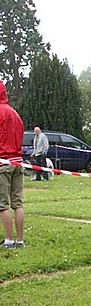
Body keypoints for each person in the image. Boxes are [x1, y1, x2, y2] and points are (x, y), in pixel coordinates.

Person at [0, 80, 25, 249]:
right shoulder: (15, 113)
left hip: (2, 163)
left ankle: (9, 240)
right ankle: (20, 240)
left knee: (2, 204)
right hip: (18, 162)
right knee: (18, 203)